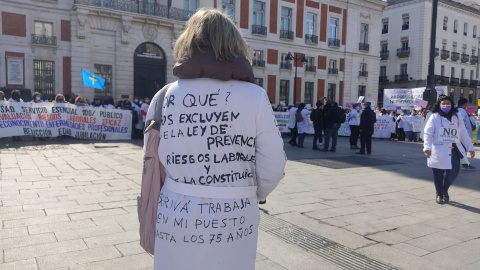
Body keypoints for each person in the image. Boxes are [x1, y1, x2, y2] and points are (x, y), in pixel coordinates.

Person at [144, 8, 286, 270]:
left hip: (176, 213)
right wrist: (254, 194)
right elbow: (274, 167)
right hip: (236, 214)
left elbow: (154, 162)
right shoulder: (254, 96)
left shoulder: (163, 97)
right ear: (236, 45)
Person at [423, 95, 475, 204]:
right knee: (438, 173)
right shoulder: (434, 116)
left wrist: (470, 147)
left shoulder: (457, 116)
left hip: (453, 149)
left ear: (452, 105)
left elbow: (463, 134)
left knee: (454, 172)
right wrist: (427, 148)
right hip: (438, 149)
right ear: (439, 105)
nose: (446, 105)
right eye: (443, 104)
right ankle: (439, 194)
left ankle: (444, 189)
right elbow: (427, 133)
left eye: (448, 103)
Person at [457, 97, 477, 170]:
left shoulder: (459, 110)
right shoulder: (461, 110)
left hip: (462, 133)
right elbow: (460, 120)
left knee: (462, 149)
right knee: (463, 149)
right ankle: (465, 164)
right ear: (464, 104)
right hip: (463, 133)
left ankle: (463, 163)